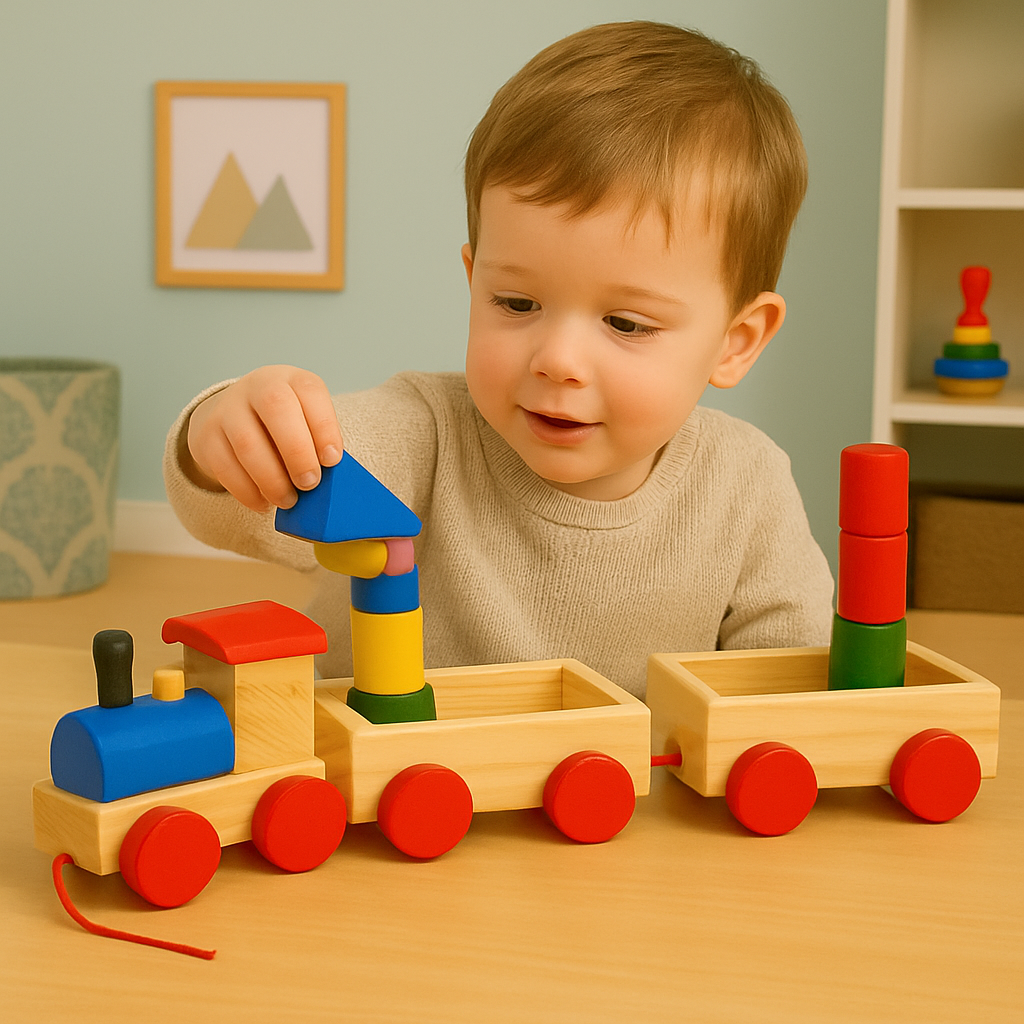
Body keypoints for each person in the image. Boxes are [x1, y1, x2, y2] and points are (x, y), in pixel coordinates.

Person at [164, 21, 834, 698]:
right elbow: (243, 505)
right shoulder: (422, 435)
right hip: (378, 776)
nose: (559, 360)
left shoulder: (747, 489)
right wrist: (227, 429)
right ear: (474, 277)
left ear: (736, 340)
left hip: (619, 800)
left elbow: (790, 683)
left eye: (625, 323)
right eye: (516, 303)